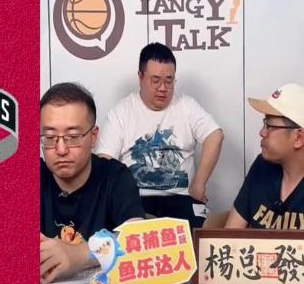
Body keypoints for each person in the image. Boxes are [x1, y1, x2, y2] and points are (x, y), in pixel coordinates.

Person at [97, 42, 224, 228]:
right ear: (140, 77)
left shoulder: (186, 106)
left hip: (180, 197)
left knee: (200, 235)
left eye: (169, 81)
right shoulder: (121, 112)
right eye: (155, 80)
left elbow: (215, 135)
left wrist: (199, 184)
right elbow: (104, 161)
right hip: (134, 199)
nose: (163, 88)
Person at [40, 82, 144, 284]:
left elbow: (137, 235)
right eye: (50, 137)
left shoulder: (115, 177)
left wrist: (81, 254)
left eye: (73, 137)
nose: (61, 150)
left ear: (94, 137)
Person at [225, 84, 304, 229]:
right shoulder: (262, 166)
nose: (262, 133)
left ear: (298, 138)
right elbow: (231, 233)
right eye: (264, 124)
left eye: (270, 126)